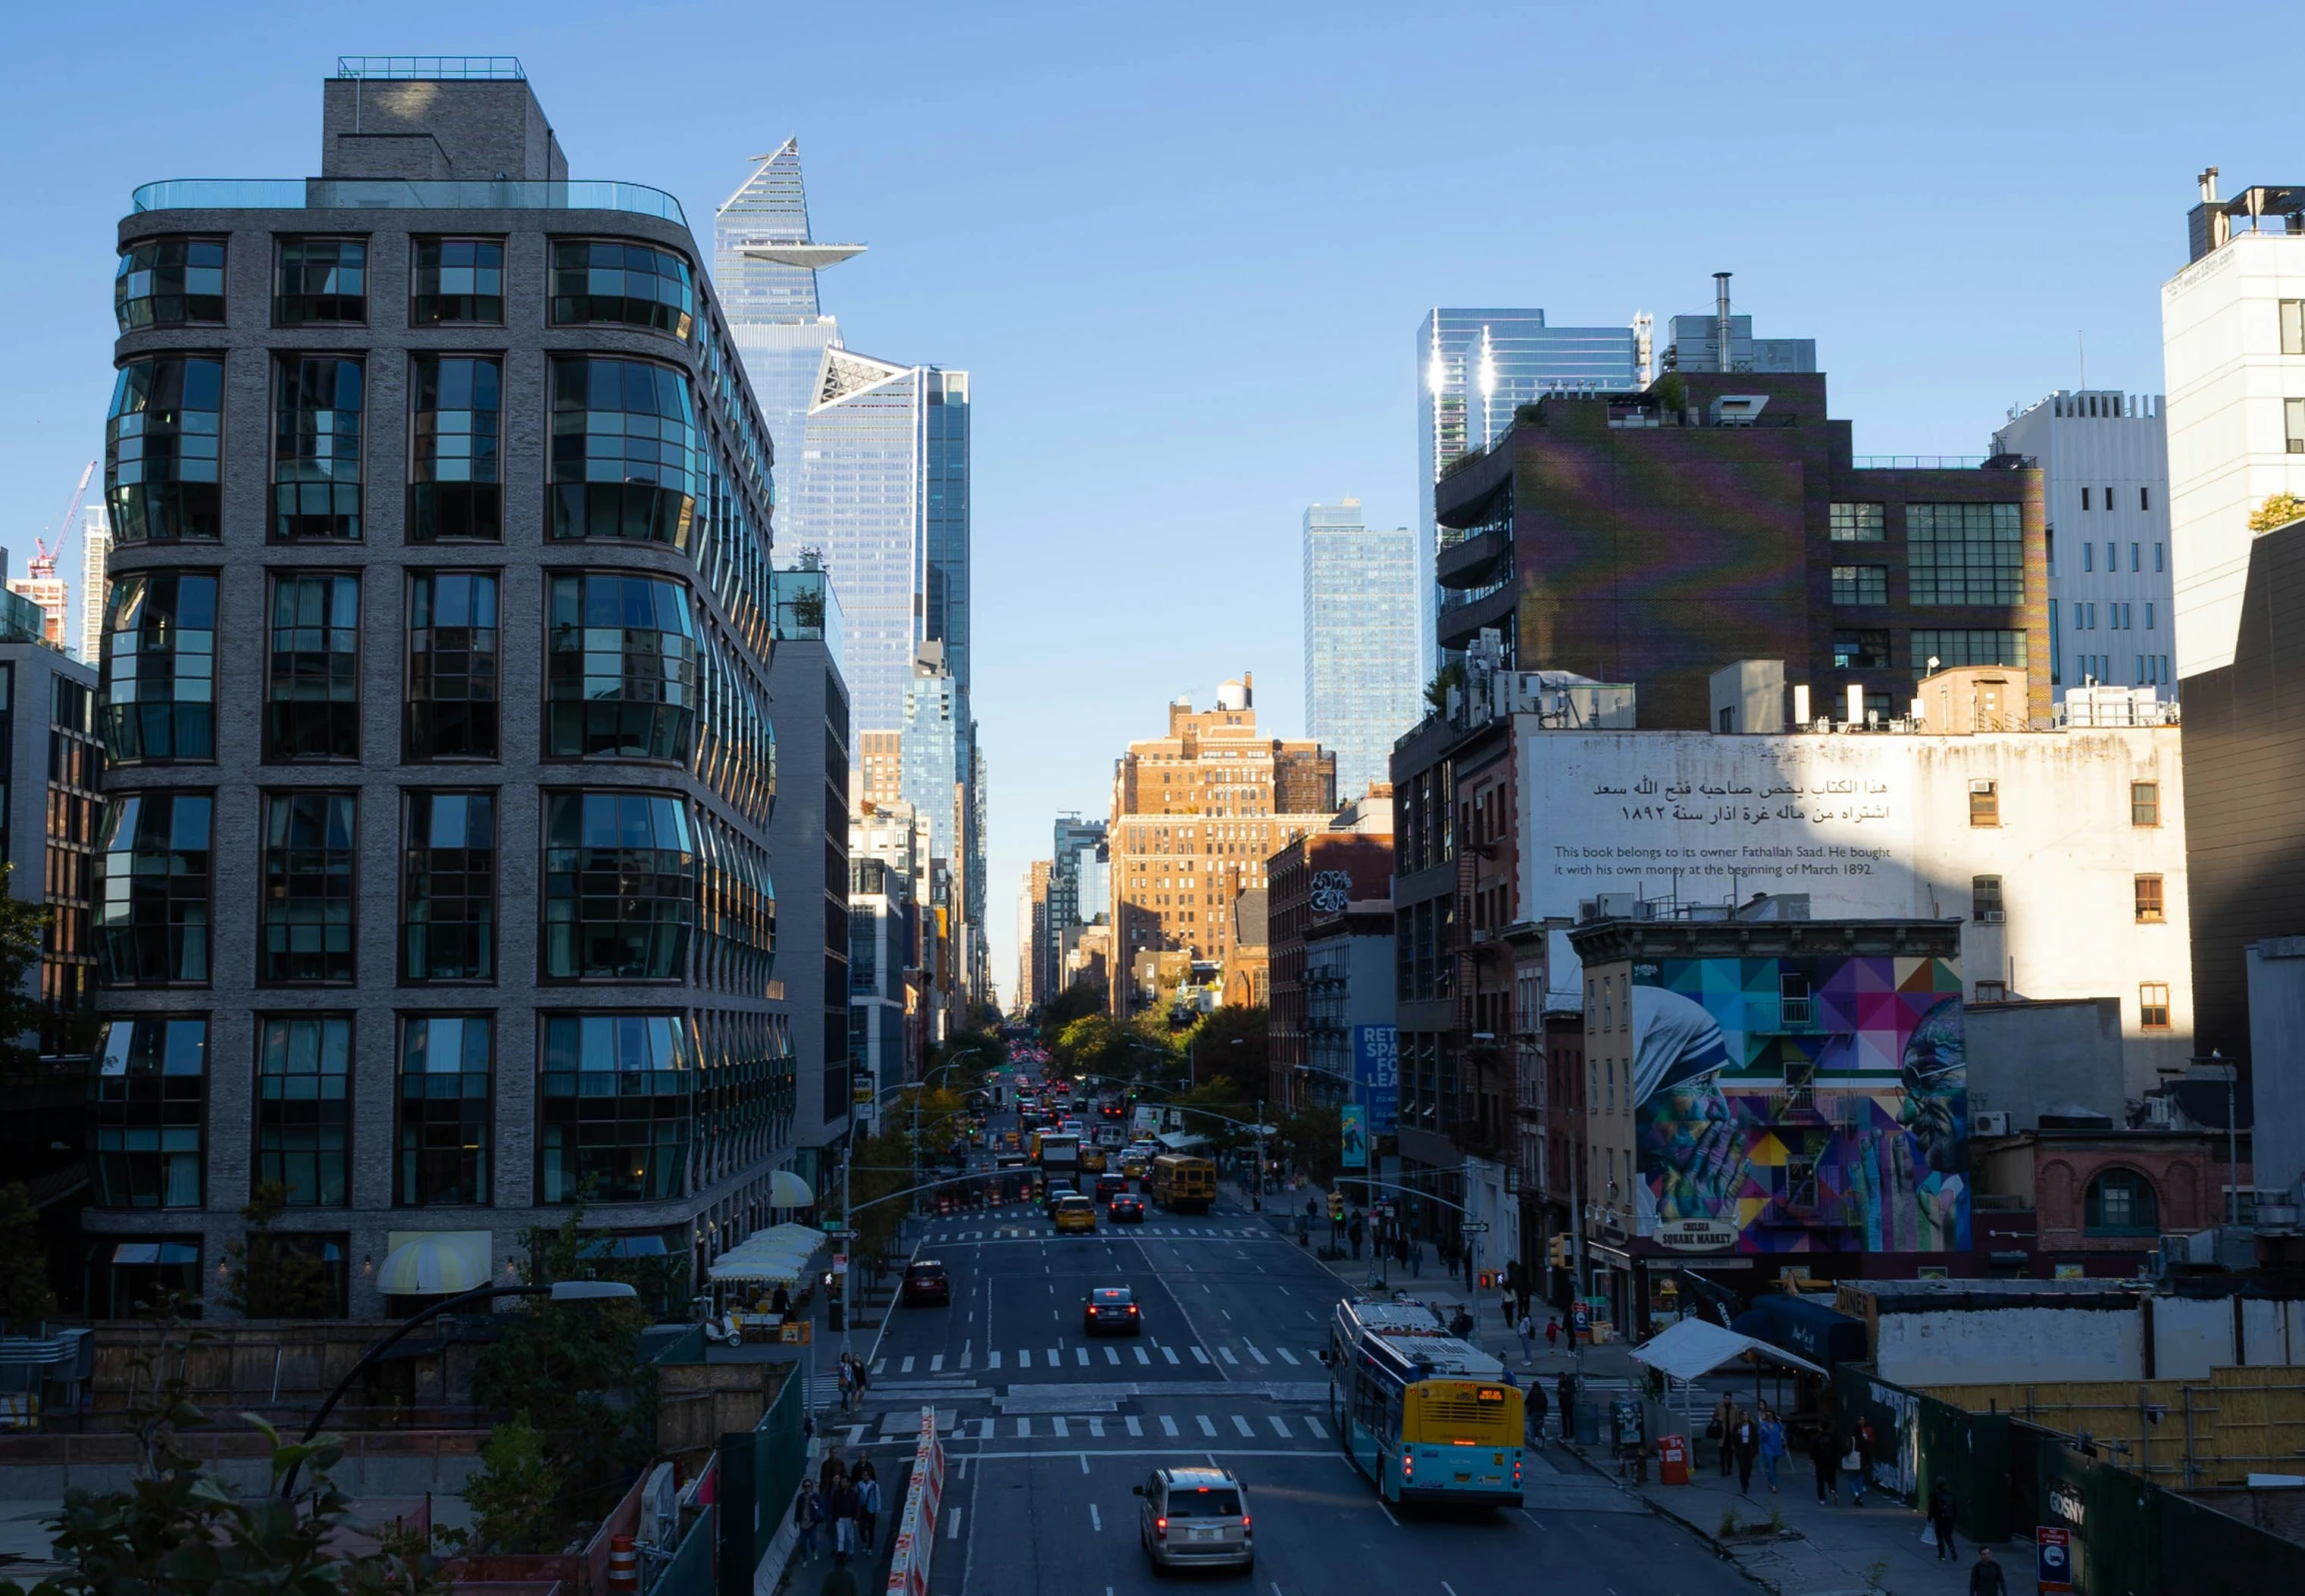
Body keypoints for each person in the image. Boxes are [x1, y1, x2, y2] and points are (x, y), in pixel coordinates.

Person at [831, 1474, 862, 1558]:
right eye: (842, 1482)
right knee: (841, 1539)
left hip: (849, 1519)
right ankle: (840, 1555)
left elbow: (857, 1507)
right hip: (839, 1519)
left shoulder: (853, 1494)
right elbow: (833, 1506)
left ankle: (851, 1553)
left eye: (844, 1481)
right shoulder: (837, 1493)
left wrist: (856, 1519)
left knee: (850, 1538)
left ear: (848, 1483)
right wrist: (834, 1518)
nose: (842, 1483)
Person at [1757, 1407, 1786, 1494]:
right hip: (1767, 1448)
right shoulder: (1763, 1425)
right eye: (1767, 1415)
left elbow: (1783, 1433)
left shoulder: (1778, 1424)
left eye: (1770, 1415)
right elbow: (1761, 1437)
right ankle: (1774, 1485)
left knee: (1773, 1466)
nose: (1769, 1417)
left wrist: (1784, 1441)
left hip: (1777, 1447)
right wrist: (1763, 1432)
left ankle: (1770, 1480)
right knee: (1771, 1466)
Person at [857, 1461, 883, 1554]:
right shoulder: (859, 1485)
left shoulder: (874, 1486)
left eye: (866, 1475)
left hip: (871, 1510)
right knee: (861, 1529)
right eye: (863, 1475)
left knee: (871, 1529)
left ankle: (870, 1547)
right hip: (862, 1510)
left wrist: (877, 1511)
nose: (865, 1477)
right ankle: (864, 1541)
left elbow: (878, 1498)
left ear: (869, 1476)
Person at [794, 1482, 823, 1563]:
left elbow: (819, 1507)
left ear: (811, 1487)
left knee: (812, 1542)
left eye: (809, 1486)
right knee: (803, 1544)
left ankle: (814, 1550)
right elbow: (798, 1509)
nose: (807, 1488)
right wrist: (796, 1520)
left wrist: (814, 1504)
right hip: (802, 1523)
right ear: (803, 1487)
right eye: (805, 1486)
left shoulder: (815, 1496)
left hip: (812, 1523)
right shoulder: (800, 1497)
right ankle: (805, 1560)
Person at [1731, 1408, 1758, 1494]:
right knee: (1742, 1467)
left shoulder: (1752, 1426)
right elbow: (1732, 1437)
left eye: (1747, 1415)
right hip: (1741, 1449)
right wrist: (1737, 1434)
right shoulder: (1737, 1426)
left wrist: (1756, 1450)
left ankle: (1746, 1480)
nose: (1745, 1416)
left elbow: (1755, 1439)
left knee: (1749, 1468)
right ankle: (1743, 1485)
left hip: (1749, 1449)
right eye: (1744, 1415)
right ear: (1741, 1416)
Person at [1809, 1427, 1838, 1506]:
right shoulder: (1832, 1437)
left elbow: (1813, 1450)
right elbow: (1837, 1448)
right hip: (1831, 1461)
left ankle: (1822, 1498)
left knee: (1820, 1481)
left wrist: (1812, 1460)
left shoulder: (1816, 1438)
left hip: (1820, 1462)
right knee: (1831, 1478)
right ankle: (1832, 1489)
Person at [1930, 1479, 1958, 1561]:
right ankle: (1953, 1551)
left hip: (1939, 1519)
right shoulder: (1950, 1495)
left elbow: (1932, 1507)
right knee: (1948, 1536)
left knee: (1939, 1536)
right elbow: (1955, 1507)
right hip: (1949, 1518)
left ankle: (1942, 1555)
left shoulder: (1936, 1495)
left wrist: (1930, 1517)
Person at [1709, 1395, 1735, 1477]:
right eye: (1726, 1398)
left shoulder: (1735, 1408)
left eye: (1729, 1398)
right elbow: (1713, 1417)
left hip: (1731, 1433)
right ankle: (1723, 1469)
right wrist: (1717, 1418)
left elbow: (1738, 1419)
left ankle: (1729, 1468)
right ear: (1724, 1398)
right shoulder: (1719, 1407)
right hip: (1722, 1433)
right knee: (1722, 1453)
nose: (1727, 1400)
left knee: (1730, 1452)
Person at [1840, 1430, 1867, 1506]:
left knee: (1851, 1479)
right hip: (1862, 1463)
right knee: (1860, 1481)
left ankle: (1855, 1493)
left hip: (1852, 1463)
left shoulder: (1851, 1439)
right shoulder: (1864, 1440)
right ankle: (1860, 1498)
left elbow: (1845, 1450)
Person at [1525, 1375, 1549, 1444]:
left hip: (1533, 1411)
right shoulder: (1543, 1393)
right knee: (1541, 1423)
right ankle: (1542, 1432)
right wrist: (1545, 1411)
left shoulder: (1532, 1393)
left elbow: (1526, 1402)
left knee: (1532, 1424)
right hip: (1542, 1411)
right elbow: (1546, 1402)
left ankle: (1533, 1436)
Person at [1556, 1370, 1577, 1443]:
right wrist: (1562, 1391)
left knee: (1571, 1419)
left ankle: (1571, 1434)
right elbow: (1558, 1390)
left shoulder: (1570, 1381)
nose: (1560, 1379)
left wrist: (1565, 1391)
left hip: (1569, 1402)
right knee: (1564, 1419)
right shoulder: (1561, 1382)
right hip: (1563, 1403)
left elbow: (1574, 1390)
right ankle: (1565, 1434)